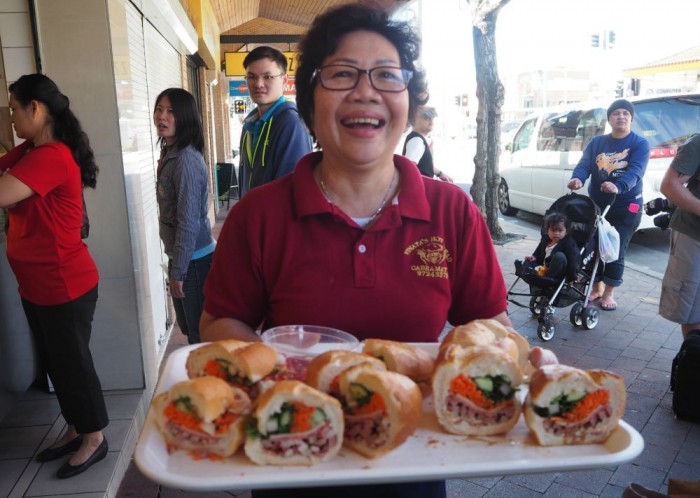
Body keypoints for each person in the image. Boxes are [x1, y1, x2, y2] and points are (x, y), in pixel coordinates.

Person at [200, 5, 548, 497]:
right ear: (310, 100)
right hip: (290, 451)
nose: (366, 91)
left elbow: (493, 329)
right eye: (342, 74)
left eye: (387, 76)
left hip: (413, 456)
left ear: (407, 100)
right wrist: (285, 367)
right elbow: (219, 323)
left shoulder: (453, 211)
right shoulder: (257, 215)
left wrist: (528, 361)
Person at [0, 74, 108, 478]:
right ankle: (76, 427)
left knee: (73, 364)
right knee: (56, 363)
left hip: (65, 284)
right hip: (38, 285)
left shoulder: (52, 156)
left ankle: (95, 437)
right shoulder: (32, 149)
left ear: (36, 108)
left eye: (14, 108)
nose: (11, 117)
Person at [567, 98, 650, 311]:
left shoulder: (639, 143)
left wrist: (618, 186)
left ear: (631, 118)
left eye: (625, 113)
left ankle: (609, 292)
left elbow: (636, 171)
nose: (621, 117)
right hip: (597, 206)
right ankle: (596, 286)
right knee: (592, 246)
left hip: (626, 206)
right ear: (610, 119)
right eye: (616, 113)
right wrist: (578, 178)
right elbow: (585, 164)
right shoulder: (597, 142)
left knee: (615, 248)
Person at [154, 88, 216, 345]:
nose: (162, 117)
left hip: (194, 263)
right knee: (190, 331)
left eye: (171, 112)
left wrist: (178, 271)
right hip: (183, 259)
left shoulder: (186, 160)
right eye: (159, 109)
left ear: (185, 117)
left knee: (200, 337)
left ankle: (209, 385)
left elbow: (188, 221)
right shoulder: (170, 154)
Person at [238, 45, 313, 197]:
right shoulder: (249, 126)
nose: (258, 84)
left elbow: (291, 193)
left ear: (284, 80)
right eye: (252, 77)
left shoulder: (291, 124)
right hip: (252, 218)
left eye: (268, 77)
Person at [659, 134, 700, 339]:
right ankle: (692, 363)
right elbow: (669, 186)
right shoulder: (698, 143)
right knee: (693, 311)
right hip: (694, 236)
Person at [519, 212, 579, 282]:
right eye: (553, 230)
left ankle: (545, 277)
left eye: (560, 230)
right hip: (542, 268)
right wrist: (534, 257)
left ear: (566, 232)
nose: (556, 233)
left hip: (557, 273)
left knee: (559, 256)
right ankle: (532, 274)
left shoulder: (569, 243)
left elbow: (573, 261)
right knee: (528, 261)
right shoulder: (545, 239)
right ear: (547, 231)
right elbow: (538, 252)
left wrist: (573, 276)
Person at [402, 105, 453, 182]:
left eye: (432, 118)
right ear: (415, 119)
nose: (431, 121)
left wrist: (440, 174)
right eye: (426, 117)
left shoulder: (418, 139)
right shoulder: (417, 140)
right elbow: (409, 169)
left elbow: (425, 166)